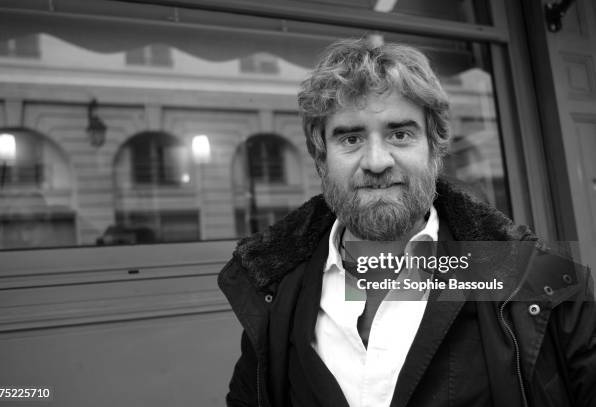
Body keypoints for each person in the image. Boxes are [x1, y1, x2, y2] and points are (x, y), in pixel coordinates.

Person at [218, 37, 595, 407]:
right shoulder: (275, 287)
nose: (377, 161)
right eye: (350, 138)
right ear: (321, 158)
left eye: (400, 134)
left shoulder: (544, 285)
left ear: (435, 149)